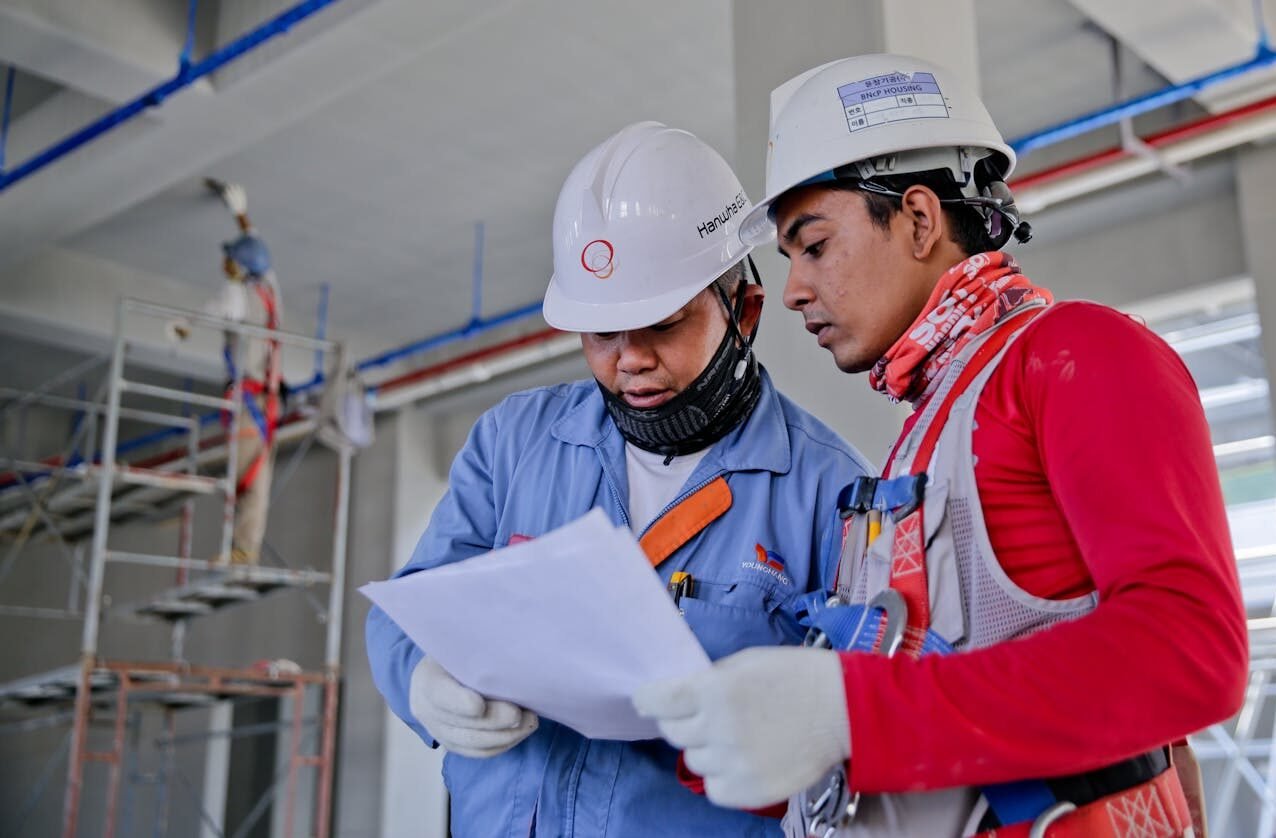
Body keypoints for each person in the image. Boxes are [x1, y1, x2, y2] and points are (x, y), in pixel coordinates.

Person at [633, 55, 1248, 837]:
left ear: (920, 220)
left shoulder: (1076, 356)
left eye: (813, 246)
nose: (792, 291)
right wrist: (729, 728)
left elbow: (1190, 651)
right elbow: (917, 701)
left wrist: (850, 712)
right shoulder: (928, 434)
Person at [364, 121, 871, 837]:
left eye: (662, 324)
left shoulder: (831, 494)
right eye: (602, 332)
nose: (628, 359)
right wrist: (421, 678)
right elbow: (412, 604)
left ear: (745, 311)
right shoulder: (513, 442)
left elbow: (863, 724)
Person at [167, 180, 283, 566]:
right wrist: (241, 215)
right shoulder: (269, 288)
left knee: (247, 478)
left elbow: (215, 307)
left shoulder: (238, 296)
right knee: (254, 475)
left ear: (237, 267)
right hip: (264, 399)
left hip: (249, 403)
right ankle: (244, 550)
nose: (224, 262)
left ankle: (242, 552)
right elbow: (258, 251)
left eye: (230, 259)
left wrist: (184, 325)